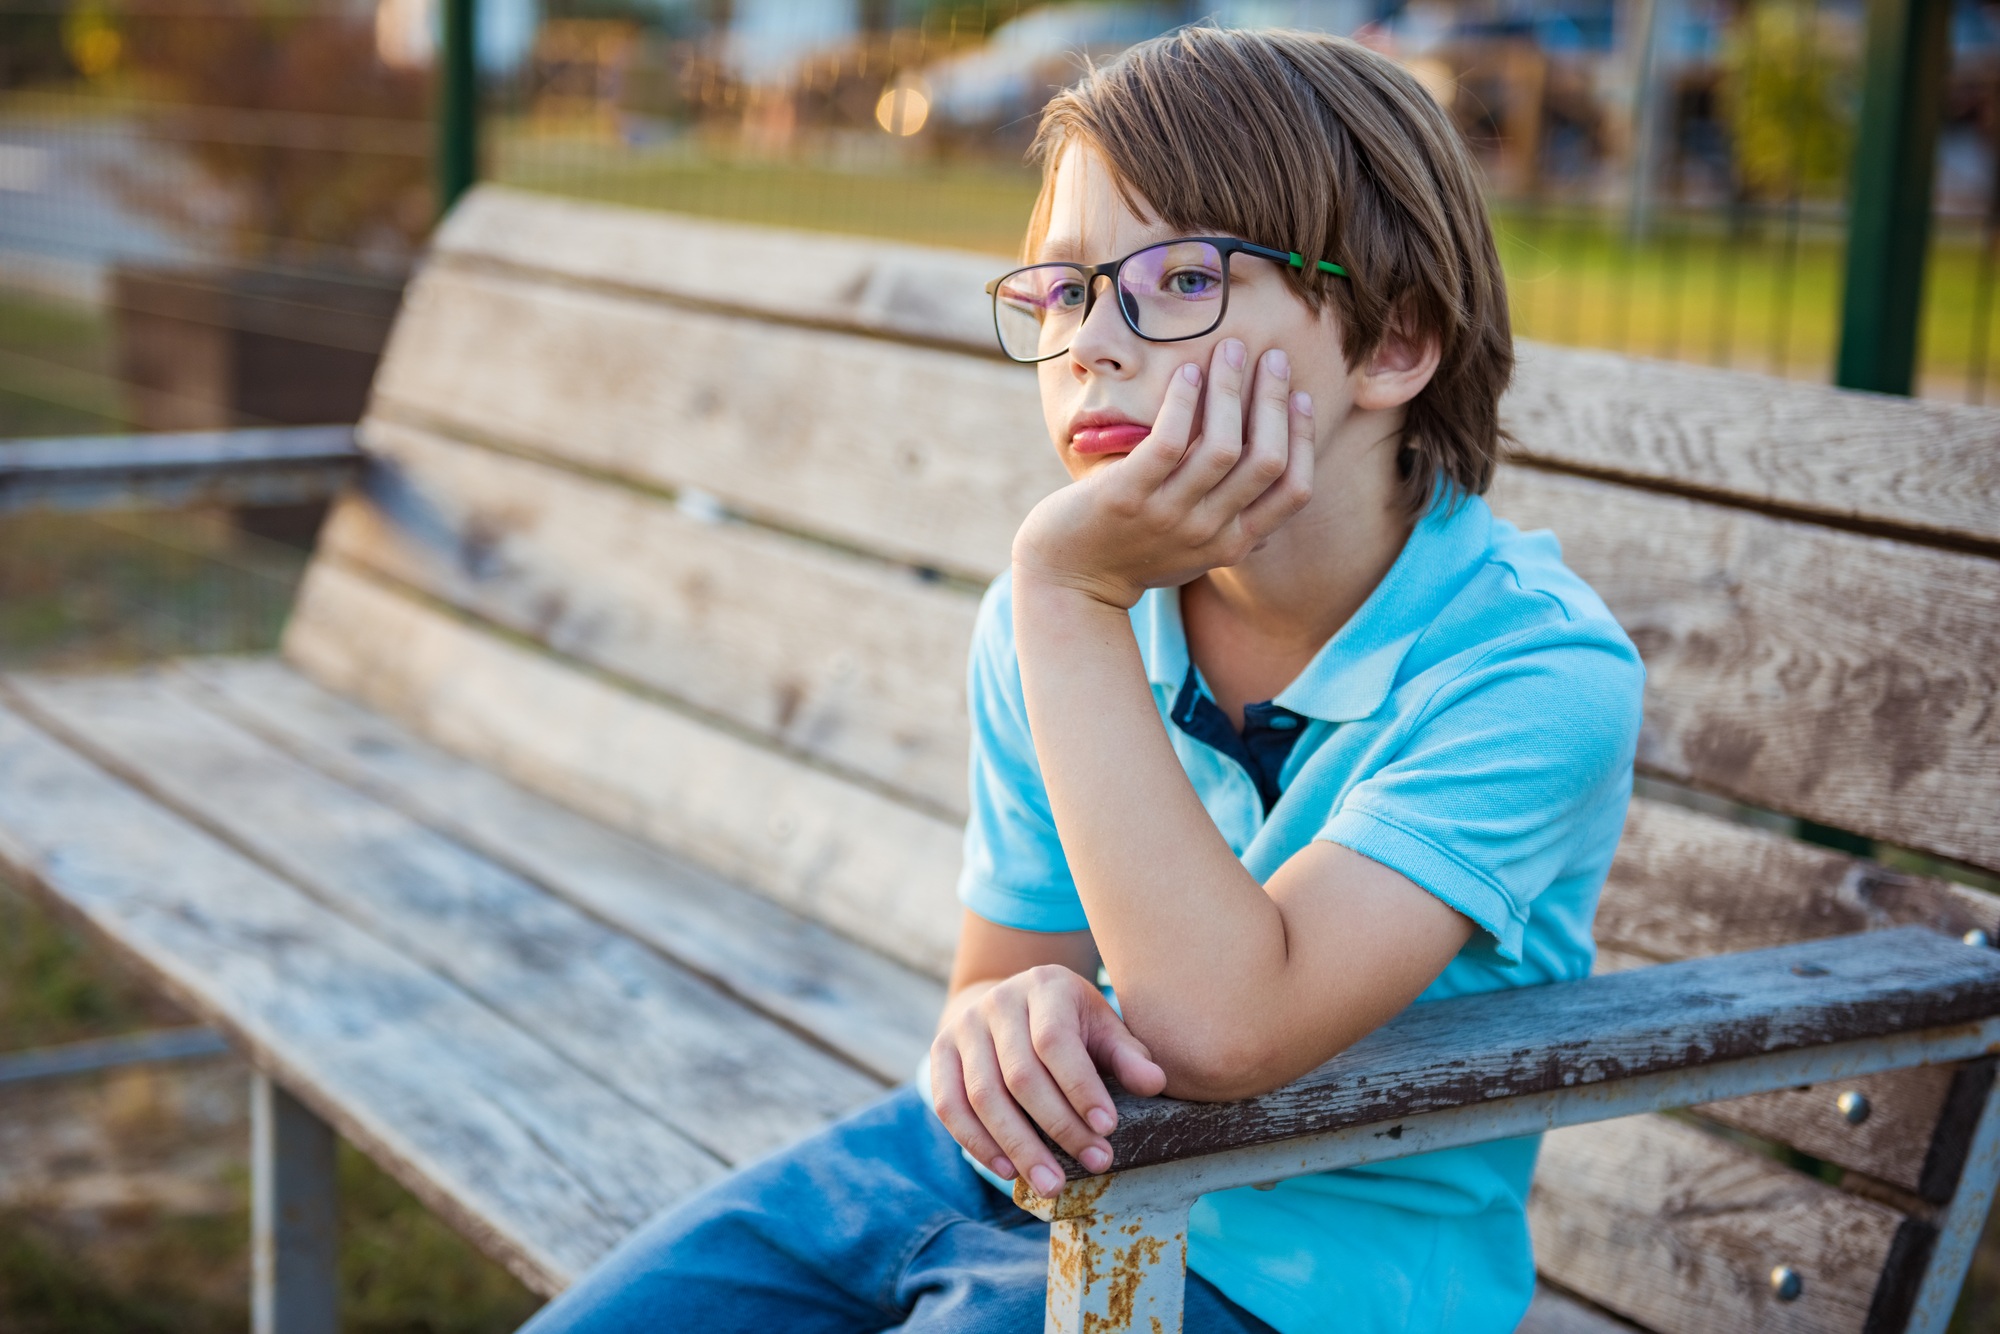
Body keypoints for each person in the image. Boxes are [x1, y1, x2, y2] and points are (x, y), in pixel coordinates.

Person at [519, 25, 1643, 1334]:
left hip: (1298, 1272)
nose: (1092, 342)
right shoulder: (1062, 612)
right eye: (1062, 292)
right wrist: (1011, 1019)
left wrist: (1066, 598)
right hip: (1009, 1165)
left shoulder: (1530, 673)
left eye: (1181, 279)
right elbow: (999, 978)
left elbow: (1225, 1026)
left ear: (1393, 341)